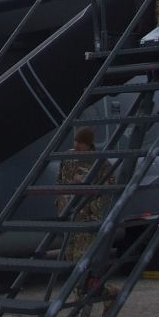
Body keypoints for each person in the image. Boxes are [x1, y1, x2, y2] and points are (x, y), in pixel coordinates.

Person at [56, 126, 116, 300]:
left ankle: (80, 301)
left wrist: (91, 209)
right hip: (70, 218)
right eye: (75, 141)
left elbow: (108, 191)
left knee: (81, 262)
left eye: (81, 143)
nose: (77, 145)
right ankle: (107, 293)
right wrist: (60, 204)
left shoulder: (101, 163)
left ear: (89, 144)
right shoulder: (68, 159)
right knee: (69, 259)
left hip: (87, 220)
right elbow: (59, 182)